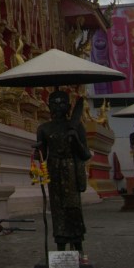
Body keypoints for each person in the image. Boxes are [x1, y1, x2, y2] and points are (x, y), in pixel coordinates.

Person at [35, 90, 92, 252]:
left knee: (73, 207)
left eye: (62, 103)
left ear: (68, 106)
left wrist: (75, 139)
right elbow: (42, 155)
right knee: (57, 208)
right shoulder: (43, 129)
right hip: (54, 170)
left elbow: (85, 154)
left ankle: (78, 245)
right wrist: (37, 152)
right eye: (54, 103)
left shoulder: (76, 126)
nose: (58, 107)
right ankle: (60, 246)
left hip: (71, 169)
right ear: (48, 106)